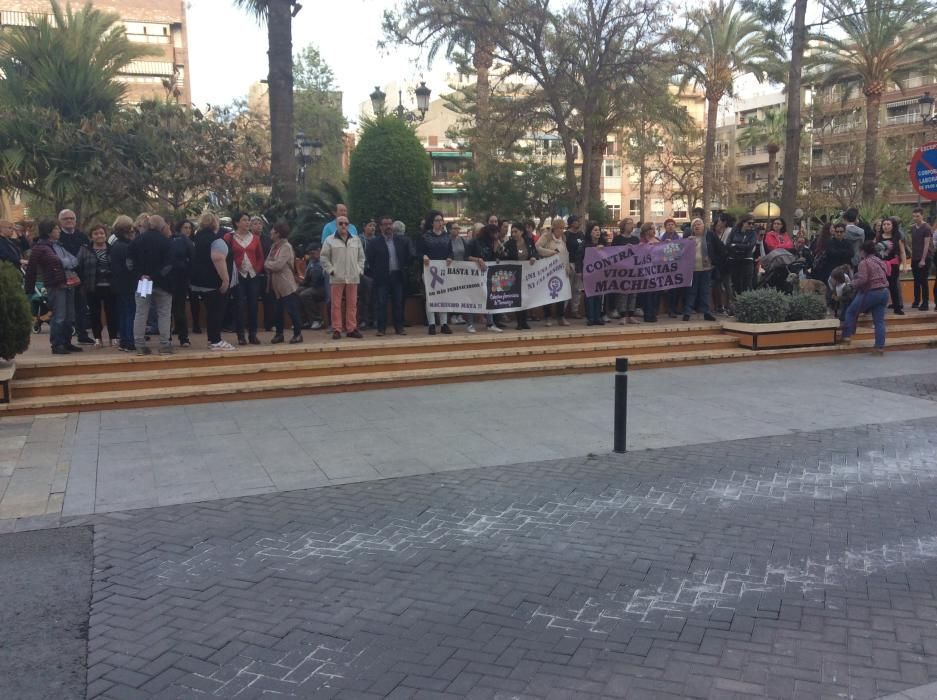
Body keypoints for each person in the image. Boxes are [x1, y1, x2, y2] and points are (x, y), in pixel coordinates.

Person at [24, 220, 82, 354]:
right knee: (59, 315)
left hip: (68, 283)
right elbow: (32, 269)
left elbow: (74, 260)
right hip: (55, 284)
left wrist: (65, 262)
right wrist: (29, 288)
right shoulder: (40, 248)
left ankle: (67, 342)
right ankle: (57, 344)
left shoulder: (58, 245)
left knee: (69, 315)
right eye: (56, 229)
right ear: (49, 231)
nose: (59, 231)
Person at [128, 215, 173, 355]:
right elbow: (169, 266)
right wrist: (155, 276)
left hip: (142, 283)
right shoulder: (166, 242)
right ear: (162, 226)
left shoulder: (136, 241)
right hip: (162, 284)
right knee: (164, 313)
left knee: (141, 313)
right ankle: (165, 344)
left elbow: (129, 263)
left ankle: (139, 344)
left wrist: (140, 275)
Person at [190, 213, 235, 351]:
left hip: (198, 280)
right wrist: (226, 280)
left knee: (211, 311)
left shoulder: (196, 238)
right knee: (216, 311)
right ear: (215, 223)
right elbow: (218, 259)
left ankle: (212, 339)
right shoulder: (216, 240)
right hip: (213, 282)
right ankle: (215, 340)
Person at [320, 213, 365, 339]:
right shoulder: (329, 240)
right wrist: (331, 270)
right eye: (341, 223)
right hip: (337, 277)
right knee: (336, 304)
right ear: (336, 225)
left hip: (353, 276)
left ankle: (351, 329)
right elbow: (323, 257)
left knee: (352, 304)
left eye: (346, 223)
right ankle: (337, 329)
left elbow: (361, 257)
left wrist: (359, 269)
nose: (343, 225)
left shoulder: (356, 239)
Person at [841, 240, 889, 354]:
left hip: (871, 292)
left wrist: (851, 284)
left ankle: (846, 336)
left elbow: (863, 280)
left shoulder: (864, 262)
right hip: (884, 291)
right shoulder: (879, 260)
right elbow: (886, 272)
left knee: (851, 312)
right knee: (879, 321)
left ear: (863, 251)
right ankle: (879, 347)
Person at [367, 215, 412, 336]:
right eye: (385, 224)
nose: (388, 226)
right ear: (380, 227)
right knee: (381, 303)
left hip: (397, 276)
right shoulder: (374, 242)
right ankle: (381, 329)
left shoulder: (400, 240)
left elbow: (407, 257)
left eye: (390, 224)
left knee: (398, 302)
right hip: (382, 277)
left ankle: (399, 328)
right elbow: (370, 260)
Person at [225, 213, 264, 345]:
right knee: (239, 305)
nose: (247, 223)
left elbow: (260, 256)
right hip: (238, 276)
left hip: (252, 275)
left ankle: (253, 334)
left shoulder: (255, 238)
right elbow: (225, 256)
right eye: (244, 220)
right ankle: (241, 335)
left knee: (253, 305)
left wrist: (257, 270)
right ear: (237, 223)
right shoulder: (230, 237)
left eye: (248, 220)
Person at [56, 209, 94, 345]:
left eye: (72, 218)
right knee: (65, 311)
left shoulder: (82, 236)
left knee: (81, 307)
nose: (69, 221)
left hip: (80, 277)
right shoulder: (57, 237)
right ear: (60, 221)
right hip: (63, 278)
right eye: (66, 219)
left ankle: (82, 334)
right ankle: (65, 340)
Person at [264, 221, 303, 344]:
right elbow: (270, 262)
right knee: (277, 311)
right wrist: (269, 264)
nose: (270, 232)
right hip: (275, 286)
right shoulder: (274, 246)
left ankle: (298, 334)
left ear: (278, 233)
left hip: (286, 284)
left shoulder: (286, 247)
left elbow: (278, 265)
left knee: (292, 310)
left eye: (273, 230)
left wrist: (267, 264)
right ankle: (279, 334)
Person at [83, 224, 118, 347]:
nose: (99, 236)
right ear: (91, 236)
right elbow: (79, 266)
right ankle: (97, 338)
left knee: (112, 312)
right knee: (94, 313)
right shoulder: (85, 250)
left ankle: (113, 337)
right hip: (92, 286)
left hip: (110, 286)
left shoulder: (113, 249)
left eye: (102, 233)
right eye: (96, 233)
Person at [420, 210, 453, 335]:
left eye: (441, 220)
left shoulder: (447, 236)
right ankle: (432, 324)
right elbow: (418, 252)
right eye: (437, 220)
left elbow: (451, 252)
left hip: (443, 271)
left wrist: (450, 257)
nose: (440, 223)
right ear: (432, 223)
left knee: (443, 295)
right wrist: (423, 256)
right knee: (430, 297)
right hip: (429, 271)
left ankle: (444, 324)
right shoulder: (425, 236)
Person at [683, 218, 721, 322]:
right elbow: (681, 252)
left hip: (706, 268)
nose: (697, 226)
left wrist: (714, 261)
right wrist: (687, 243)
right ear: (692, 228)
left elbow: (719, 248)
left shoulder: (710, 236)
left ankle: (706, 313)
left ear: (703, 226)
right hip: (693, 269)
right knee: (691, 291)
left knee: (705, 291)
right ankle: (687, 312)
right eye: (694, 225)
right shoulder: (688, 238)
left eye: (699, 224)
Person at [467, 223, 504, 332]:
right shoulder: (473, 242)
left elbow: (491, 257)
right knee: (472, 299)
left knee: (489, 297)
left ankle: (490, 323)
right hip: (474, 275)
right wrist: (478, 260)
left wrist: (496, 256)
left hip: (487, 275)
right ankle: (470, 324)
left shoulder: (491, 243)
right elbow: (467, 256)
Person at [502, 222, 539, 330]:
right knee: (517, 298)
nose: (513, 234)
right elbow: (503, 256)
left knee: (526, 298)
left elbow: (534, 252)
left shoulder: (529, 241)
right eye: (512, 232)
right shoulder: (508, 244)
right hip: (514, 275)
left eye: (516, 231)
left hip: (527, 274)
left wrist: (533, 257)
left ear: (521, 232)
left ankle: (525, 321)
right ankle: (519, 322)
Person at [536, 218, 571, 327]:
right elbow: (538, 247)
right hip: (548, 269)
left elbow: (565, 253)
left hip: (560, 270)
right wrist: (551, 253)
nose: (561, 230)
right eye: (559, 228)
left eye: (563, 228)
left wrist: (567, 266)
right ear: (554, 228)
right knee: (547, 294)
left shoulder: (564, 238)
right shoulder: (546, 236)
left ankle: (561, 317)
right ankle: (547, 317)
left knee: (561, 293)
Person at [109, 216, 136, 352]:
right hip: (128, 284)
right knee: (130, 312)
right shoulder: (127, 247)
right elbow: (130, 266)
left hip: (117, 283)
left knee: (122, 312)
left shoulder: (115, 246)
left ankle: (124, 341)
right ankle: (130, 341)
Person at [169, 219, 194, 347]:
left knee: (169, 309)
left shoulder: (170, 240)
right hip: (180, 278)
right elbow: (193, 259)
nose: (188, 230)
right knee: (179, 308)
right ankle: (183, 338)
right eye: (185, 227)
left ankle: (169, 336)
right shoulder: (186, 242)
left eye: (189, 228)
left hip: (170, 279)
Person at [612, 218, 640, 323]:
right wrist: (624, 249)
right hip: (622, 269)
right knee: (622, 293)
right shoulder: (617, 239)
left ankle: (631, 314)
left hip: (633, 269)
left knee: (633, 293)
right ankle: (622, 315)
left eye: (633, 223)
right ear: (623, 226)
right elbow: (613, 253)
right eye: (629, 223)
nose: (632, 225)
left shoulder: (635, 240)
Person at [875, 216, 906, 315]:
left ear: (893, 226)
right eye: (884, 224)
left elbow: (902, 252)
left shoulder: (897, 237)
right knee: (879, 287)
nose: (886, 226)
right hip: (880, 265)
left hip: (893, 265)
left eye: (888, 224)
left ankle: (897, 307)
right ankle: (878, 307)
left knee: (893, 286)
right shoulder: (878, 237)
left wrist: (904, 266)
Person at [725, 215, 758, 295]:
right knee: (736, 282)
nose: (751, 225)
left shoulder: (753, 233)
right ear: (743, 223)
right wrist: (744, 245)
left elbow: (750, 246)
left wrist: (736, 245)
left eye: (753, 224)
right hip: (734, 259)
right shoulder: (734, 230)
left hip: (747, 259)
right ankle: (737, 301)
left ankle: (746, 302)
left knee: (747, 282)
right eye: (749, 223)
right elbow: (728, 244)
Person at [297, 244, 326, 330]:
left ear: (319, 250)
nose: (311, 256)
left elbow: (319, 279)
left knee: (305, 294)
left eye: (313, 253)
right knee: (297, 291)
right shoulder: (311, 262)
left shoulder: (324, 261)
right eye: (310, 254)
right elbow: (307, 279)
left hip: (323, 287)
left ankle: (318, 320)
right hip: (313, 286)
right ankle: (304, 321)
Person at [581, 222, 605, 326]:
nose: (597, 232)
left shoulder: (603, 244)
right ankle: (590, 318)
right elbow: (579, 257)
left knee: (598, 296)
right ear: (590, 232)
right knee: (589, 296)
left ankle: (598, 317)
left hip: (600, 273)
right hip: (589, 273)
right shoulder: (585, 244)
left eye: (598, 230)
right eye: (595, 230)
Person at [910, 207, 932, 311]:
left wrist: (923, 260)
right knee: (916, 281)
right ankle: (916, 300)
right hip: (914, 257)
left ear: (922, 216)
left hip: (924, 258)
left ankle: (925, 303)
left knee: (923, 281)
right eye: (914, 216)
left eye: (917, 216)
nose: (915, 218)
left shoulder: (927, 227)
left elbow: (926, 245)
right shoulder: (913, 227)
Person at [638, 223, 661, 322]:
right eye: (652, 228)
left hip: (658, 272)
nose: (654, 230)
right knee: (647, 295)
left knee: (656, 294)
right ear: (647, 231)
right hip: (646, 273)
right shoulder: (642, 242)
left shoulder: (658, 240)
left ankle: (654, 313)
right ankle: (647, 314)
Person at [565, 215, 585, 319]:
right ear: (572, 223)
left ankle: (575, 310)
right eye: (577, 221)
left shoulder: (581, 234)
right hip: (569, 263)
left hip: (579, 264)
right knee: (567, 288)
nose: (579, 223)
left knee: (577, 289)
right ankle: (564, 311)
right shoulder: (566, 235)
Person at [358, 219, 377, 329]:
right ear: (364, 227)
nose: (373, 228)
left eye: (374, 226)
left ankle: (374, 319)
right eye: (370, 225)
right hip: (363, 271)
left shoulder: (377, 239)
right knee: (364, 297)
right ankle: (364, 320)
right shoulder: (359, 240)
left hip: (375, 271)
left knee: (375, 296)